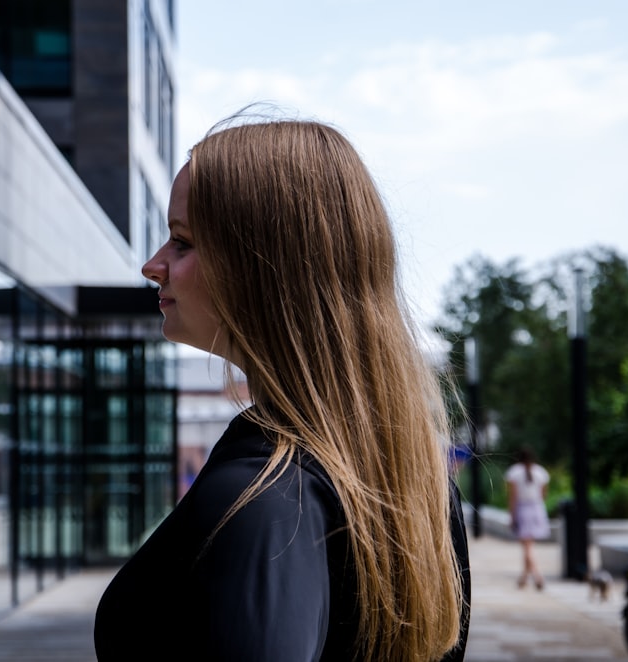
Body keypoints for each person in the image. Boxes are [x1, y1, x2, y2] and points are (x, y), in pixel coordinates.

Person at [94, 113, 470, 661]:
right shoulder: (417, 484)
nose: (154, 266)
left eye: (181, 241)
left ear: (261, 269)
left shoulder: (265, 498)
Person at [505, 446, 551, 590]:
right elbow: (544, 495)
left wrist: (512, 515)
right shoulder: (541, 472)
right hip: (537, 508)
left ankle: (537, 576)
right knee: (528, 544)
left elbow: (513, 497)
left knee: (527, 546)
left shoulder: (514, 472)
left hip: (523, 509)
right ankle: (524, 577)